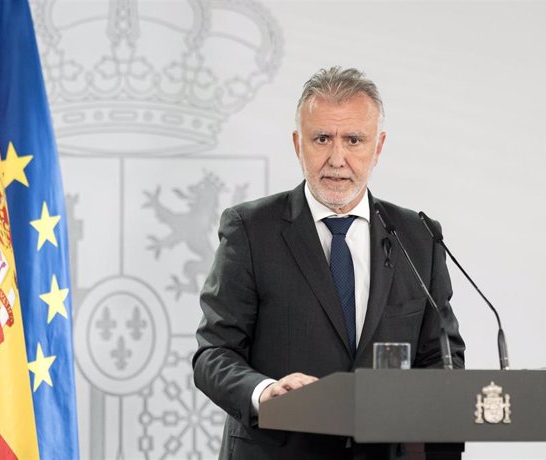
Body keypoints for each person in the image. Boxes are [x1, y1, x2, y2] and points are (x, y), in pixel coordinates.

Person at [193, 67, 465, 460]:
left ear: (379, 146)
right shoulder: (250, 230)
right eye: (322, 138)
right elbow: (214, 353)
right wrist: (264, 393)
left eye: (354, 139)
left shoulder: (418, 236)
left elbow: (442, 358)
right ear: (297, 144)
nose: (337, 158)